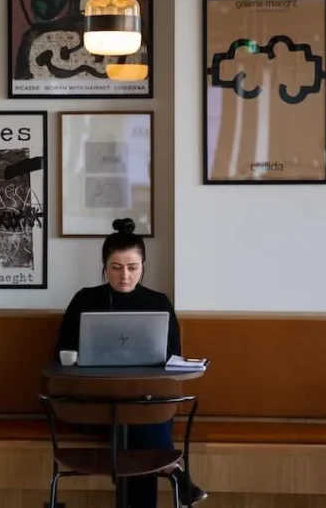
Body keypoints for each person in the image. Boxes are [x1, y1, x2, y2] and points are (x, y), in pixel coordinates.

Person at [54, 218, 208, 508]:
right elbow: (60, 353)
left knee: (139, 417)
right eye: (116, 267)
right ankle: (175, 472)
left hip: (143, 400)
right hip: (94, 403)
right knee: (142, 422)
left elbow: (171, 357)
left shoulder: (158, 302)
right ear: (104, 266)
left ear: (143, 267)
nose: (124, 276)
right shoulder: (85, 300)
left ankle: (169, 474)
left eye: (132, 267)